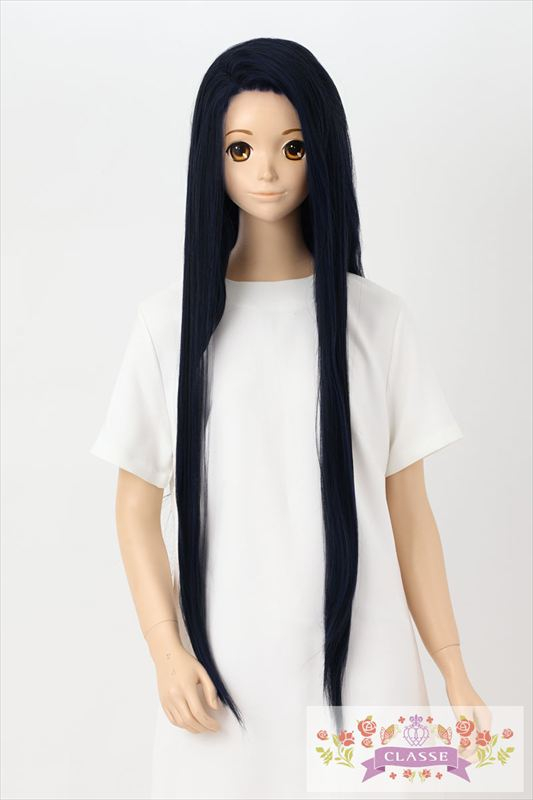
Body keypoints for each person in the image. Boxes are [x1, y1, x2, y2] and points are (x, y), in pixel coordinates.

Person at [90, 37, 488, 800]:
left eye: (292, 147)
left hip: (364, 673)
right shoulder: (168, 327)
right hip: (219, 681)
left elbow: (408, 513)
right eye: (240, 149)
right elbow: (134, 510)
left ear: (322, 153)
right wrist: (166, 651)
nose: (266, 171)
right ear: (212, 158)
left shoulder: (377, 323)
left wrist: (452, 667)